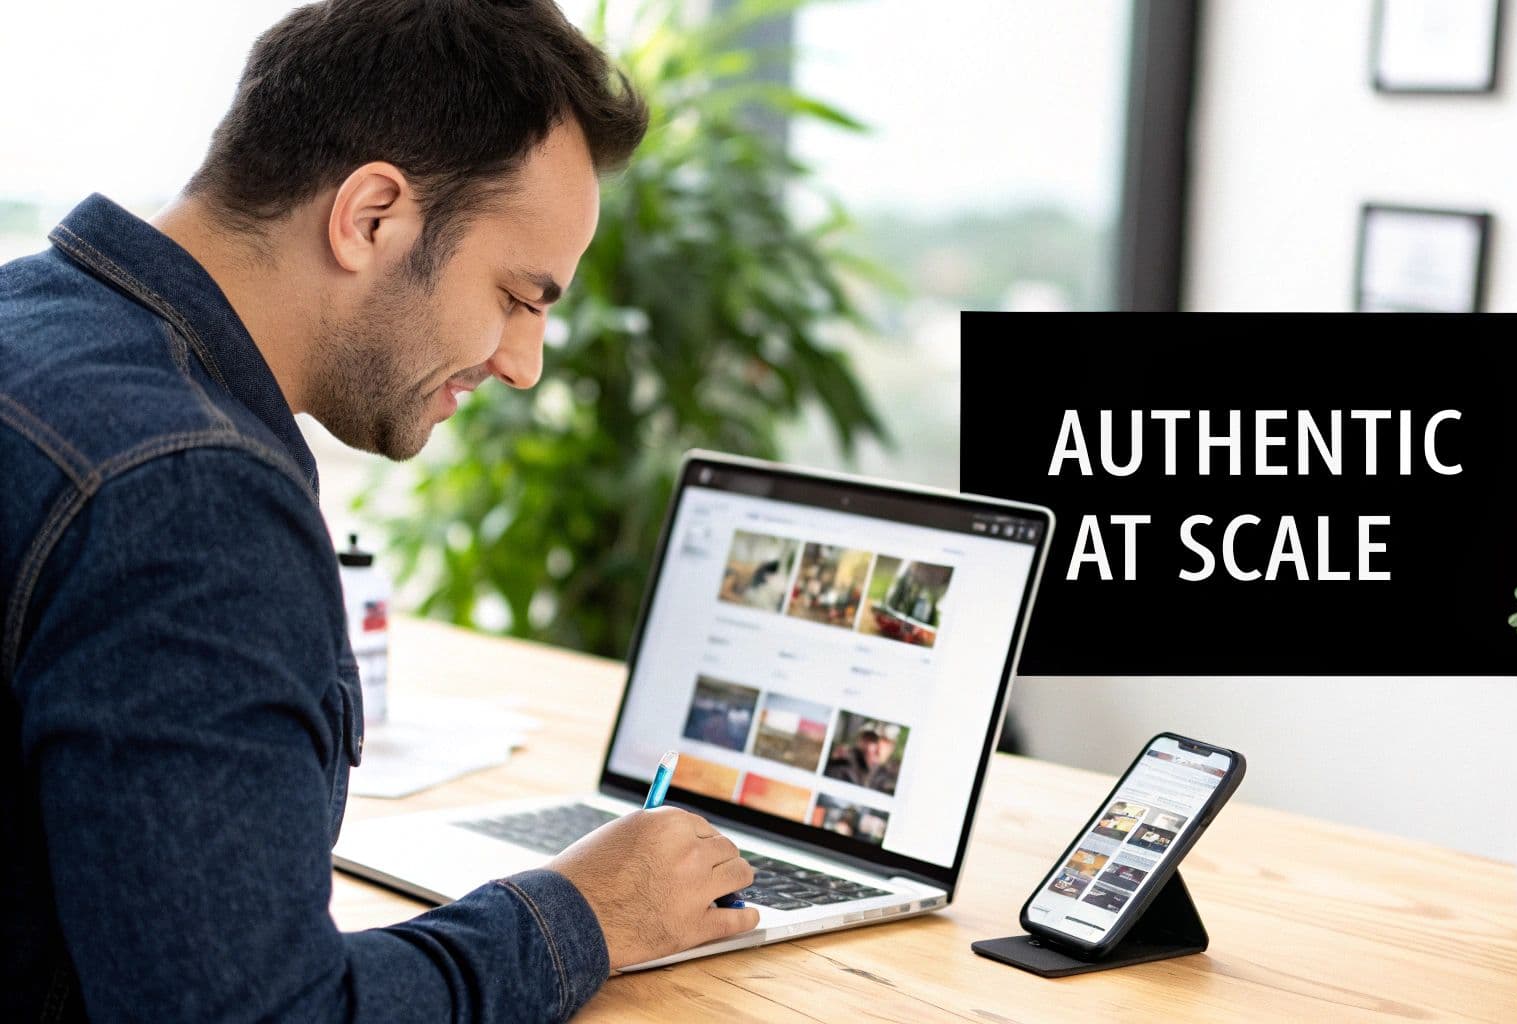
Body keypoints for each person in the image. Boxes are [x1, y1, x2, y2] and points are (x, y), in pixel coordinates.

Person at [0, 2, 759, 1021]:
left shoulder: (29, 325)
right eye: (519, 296)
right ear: (370, 216)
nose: (523, 364)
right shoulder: (188, 492)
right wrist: (581, 913)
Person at [823, 723, 901, 795]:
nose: (879, 747)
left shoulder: (892, 778)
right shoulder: (841, 767)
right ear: (860, 741)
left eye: (887, 742)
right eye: (871, 739)